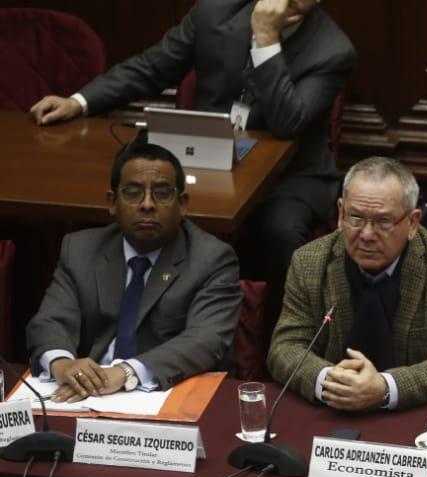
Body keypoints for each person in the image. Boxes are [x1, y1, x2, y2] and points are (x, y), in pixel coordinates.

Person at [29, 0, 357, 332]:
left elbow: (287, 121)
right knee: (137, 201)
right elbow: (152, 67)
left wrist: (266, 38)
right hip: (206, 157)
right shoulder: (214, 11)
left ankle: (284, 343)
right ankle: (124, 333)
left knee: (281, 229)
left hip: (290, 175)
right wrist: (79, 101)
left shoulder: (332, 49)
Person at [26, 143, 240, 401]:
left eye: (161, 193)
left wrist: (127, 372)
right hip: (87, 395)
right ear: (112, 202)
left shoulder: (212, 258)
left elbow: (205, 339)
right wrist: (62, 363)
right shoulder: (81, 250)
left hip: (165, 395)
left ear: (182, 204)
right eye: (133, 193)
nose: (147, 204)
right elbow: (50, 320)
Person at [267, 156, 427, 412]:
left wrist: (384, 389)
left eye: (383, 222)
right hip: (333, 411)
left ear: (412, 222)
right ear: (341, 213)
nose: (366, 234)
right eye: (355, 218)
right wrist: (333, 382)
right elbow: (284, 348)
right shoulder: (308, 261)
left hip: (416, 416)